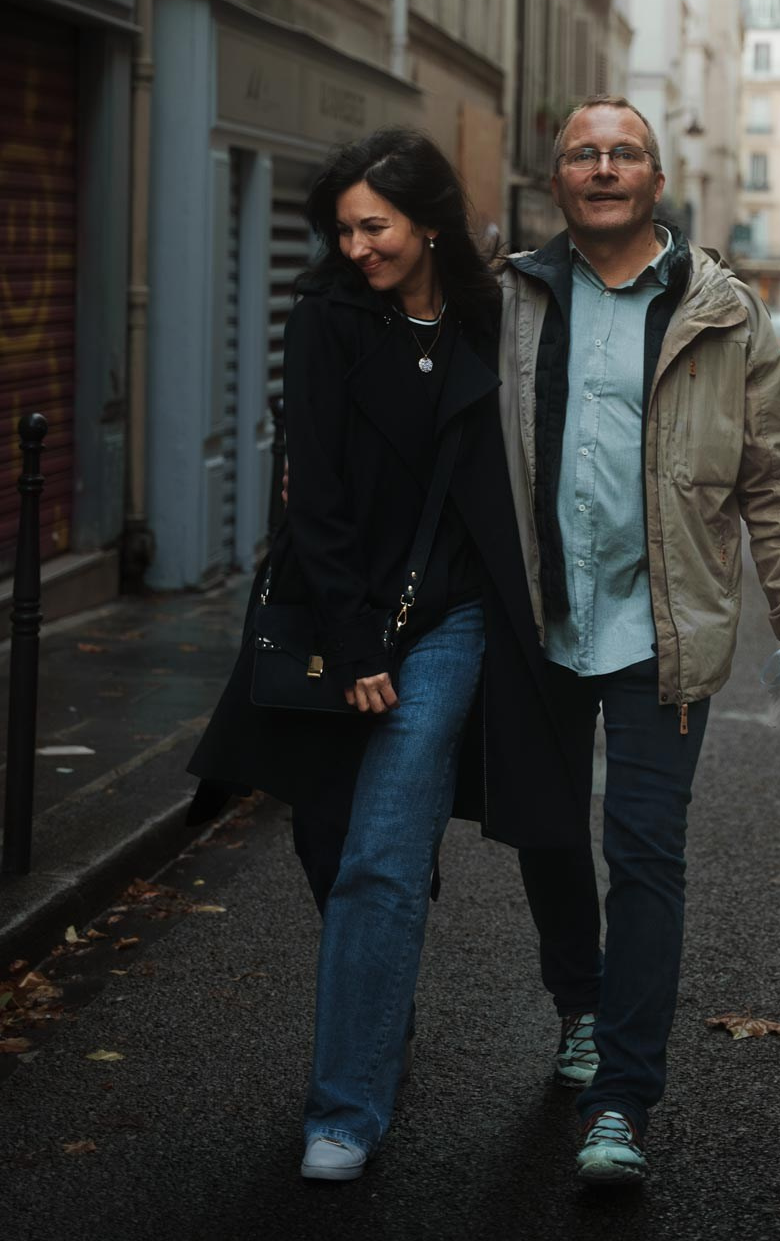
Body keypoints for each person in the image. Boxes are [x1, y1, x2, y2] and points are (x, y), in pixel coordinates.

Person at [188, 129, 584, 1183]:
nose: (356, 245)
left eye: (376, 226)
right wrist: (356, 639)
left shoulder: (493, 321)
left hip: (451, 620)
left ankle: (346, 1111)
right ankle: (381, 990)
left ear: (429, 225)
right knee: (331, 844)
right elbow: (312, 494)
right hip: (333, 619)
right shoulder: (324, 320)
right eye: (344, 228)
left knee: (377, 860)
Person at [498, 93, 780, 1188]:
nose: (604, 167)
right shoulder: (510, 299)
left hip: (661, 627)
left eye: (625, 152)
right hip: (540, 623)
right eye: (585, 154)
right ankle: (581, 1009)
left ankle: (620, 1100)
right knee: (546, 832)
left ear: (655, 175)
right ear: (558, 179)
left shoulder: (725, 312)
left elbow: (776, 482)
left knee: (645, 855)